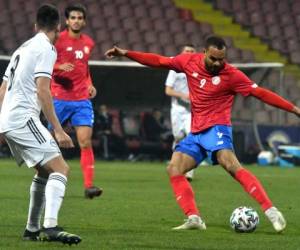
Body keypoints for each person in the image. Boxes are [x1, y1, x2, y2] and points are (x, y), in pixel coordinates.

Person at [105, 36, 300, 232]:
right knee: (174, 168)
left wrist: (294, 109)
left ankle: (271, 210)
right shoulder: (188, 61)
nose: (217, 63)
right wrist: (126, 53)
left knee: (230, 164)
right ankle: (194, 217)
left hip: (217, 128)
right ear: (204, 52)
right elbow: (158, 61)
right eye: (213, 58)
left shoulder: (232, 75)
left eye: (221, 59)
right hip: (196, 131)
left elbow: (262, 94)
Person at [0, 4, 81, 244]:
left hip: (10, 119)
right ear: (59, 28)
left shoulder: (21, 48)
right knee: (61, 169)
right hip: (24, 118)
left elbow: (3, 89)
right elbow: (43, 90)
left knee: (44, 171)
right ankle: (51, 226)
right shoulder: (46, 48)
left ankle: (32, 229)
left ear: (35, 26)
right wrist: (58, 129)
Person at [51, 4, 102, 199]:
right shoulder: (57, 40)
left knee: (85, 142)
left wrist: (90, 84)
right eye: (73, 17)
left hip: (81, 99)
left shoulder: (89, 42)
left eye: (80, 18)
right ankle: (45, 176)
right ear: (67, 20)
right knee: (51, 141)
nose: (76, 21)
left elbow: (84, 67)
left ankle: (89, 186)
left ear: (84, 21)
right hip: (59, 98)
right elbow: (44, 64)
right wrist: (59, 66)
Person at [165, 44, 196, 181]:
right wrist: (183, 95)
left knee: (191, 136)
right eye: (186, 51)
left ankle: (189, 171)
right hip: (177, 108)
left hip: (191, 110)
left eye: (191, 51)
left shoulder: (198, 69)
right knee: (178, 137)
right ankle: (175, 165)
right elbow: (168, 90)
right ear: (182, 52)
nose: (189, 53)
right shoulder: (174, 69)